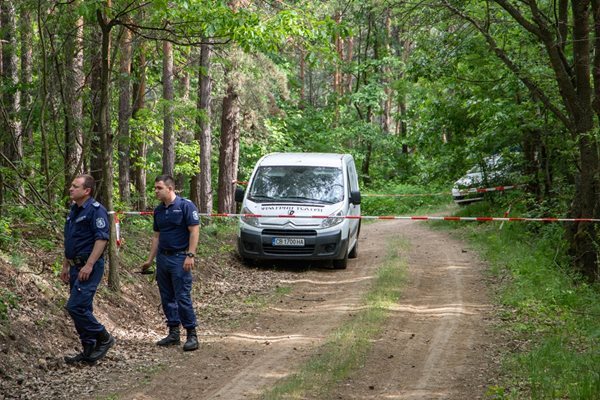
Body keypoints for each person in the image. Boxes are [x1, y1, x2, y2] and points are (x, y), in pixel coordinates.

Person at [141, 175, 200, 351]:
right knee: (167, 297)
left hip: (180, 258)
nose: (156, 191)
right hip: (163, 259)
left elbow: (194, 231)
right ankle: (174, 333)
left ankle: (191, 334)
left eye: (159, 188)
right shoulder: (158, 210)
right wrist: (150, 260)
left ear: (170, 188)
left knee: (182, 296)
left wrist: (190, 254)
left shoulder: (185, 206)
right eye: (155, 188)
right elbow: (156, 236)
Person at [61, 174, 115, 364]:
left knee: (75, 306)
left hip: (89, 266)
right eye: (71, 185)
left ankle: (104, 338)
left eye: (75, 186)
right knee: (82, 308)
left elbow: (101, 239)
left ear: (87, 191)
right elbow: (70, 239)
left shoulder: (96, 210)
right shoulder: (73, 210)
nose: (70, 188)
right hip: (75, 266)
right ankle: (88, 349)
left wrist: (90, 265)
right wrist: (66, 265)